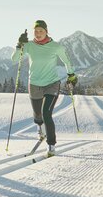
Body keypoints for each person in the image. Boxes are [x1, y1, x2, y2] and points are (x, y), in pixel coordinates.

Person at [12, 19, 77, 157]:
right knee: (38, 115)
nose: (38, 33)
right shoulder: (29, 46)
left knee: (46, 113)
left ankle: (51, 145)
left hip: (52, 84)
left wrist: (71, 74)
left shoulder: (56, 47)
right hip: (34, 84)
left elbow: (66, 61)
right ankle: (40, 131)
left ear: (46, 31)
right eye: (36, 31)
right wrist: (19, 44)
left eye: (41, 30)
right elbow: (14, 59)